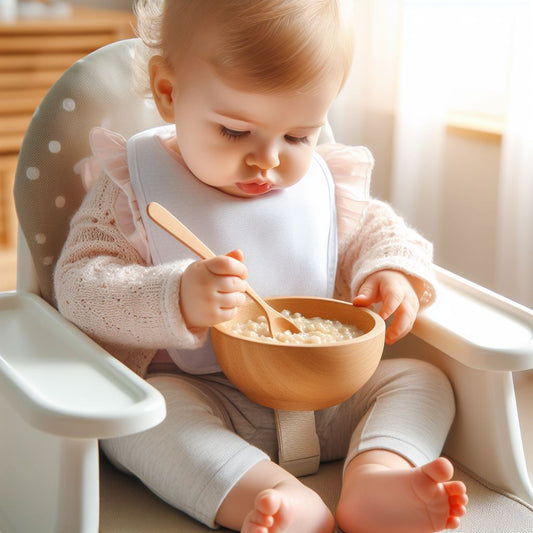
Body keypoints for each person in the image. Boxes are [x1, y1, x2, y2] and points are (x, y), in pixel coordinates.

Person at [54, 1, 468, 531]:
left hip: (325, 395)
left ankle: (376, 474)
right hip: (205, 399)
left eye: (298, 136)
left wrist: (391, 271)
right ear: (168, 92)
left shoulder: (320, 184)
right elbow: (79, 285)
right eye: (234, 131)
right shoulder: (133, 185)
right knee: (140, 421)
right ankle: (268, 494)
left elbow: (382, 230)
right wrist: (173, 295)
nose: (268, 160)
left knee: (421, 380)